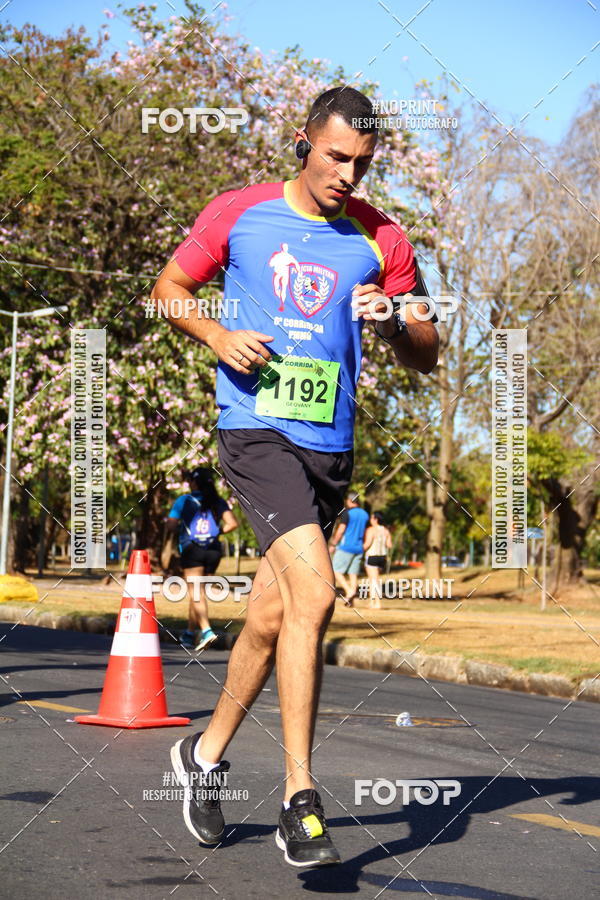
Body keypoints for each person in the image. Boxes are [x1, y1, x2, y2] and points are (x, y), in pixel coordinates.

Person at [152, 85, 438, 868]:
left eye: (362, 163)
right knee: (315, 594)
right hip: (255, 433)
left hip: (329, 448)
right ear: (305, 142)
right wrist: (217, 335)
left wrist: (396, 323)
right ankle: (299, 800)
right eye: (336, 156)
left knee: (274, 614)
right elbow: (168, 292)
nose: (347, 174)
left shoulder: (383, 238)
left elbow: (427, 350)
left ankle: (202, 756)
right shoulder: (239, 212)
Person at [167, 467, 239, 651]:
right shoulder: (218, 501)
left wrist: (184, 530)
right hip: (213, 551)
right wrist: (215, 532)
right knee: (198, 593)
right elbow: (232, 524)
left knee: (196, 592)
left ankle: (207, 631)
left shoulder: (184, 500)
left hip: (192, 550)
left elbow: (171, 525)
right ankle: (189, 634)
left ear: (194, 483)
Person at [329, 493, 369, 605]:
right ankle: (351, 598)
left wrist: (333, 544)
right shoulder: (365, 514)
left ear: (350, 501)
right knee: (353, 573)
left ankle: (349, 591)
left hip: (346, 547)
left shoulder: (347, 513)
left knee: (335, 571)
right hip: (359, 548)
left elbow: (341, 530)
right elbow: (367, 531)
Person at [363, 511, 392, 609]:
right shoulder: (386, 531)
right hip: (382, 558)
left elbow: (367, 544)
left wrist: (358, 549)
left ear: (376, 519)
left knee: (374, 581)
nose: (370, 520)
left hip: (372, 556)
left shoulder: (371, 530)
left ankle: (377, 603)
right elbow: (389, 545)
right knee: (373, 580)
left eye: (372, 518)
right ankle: (372, 602)